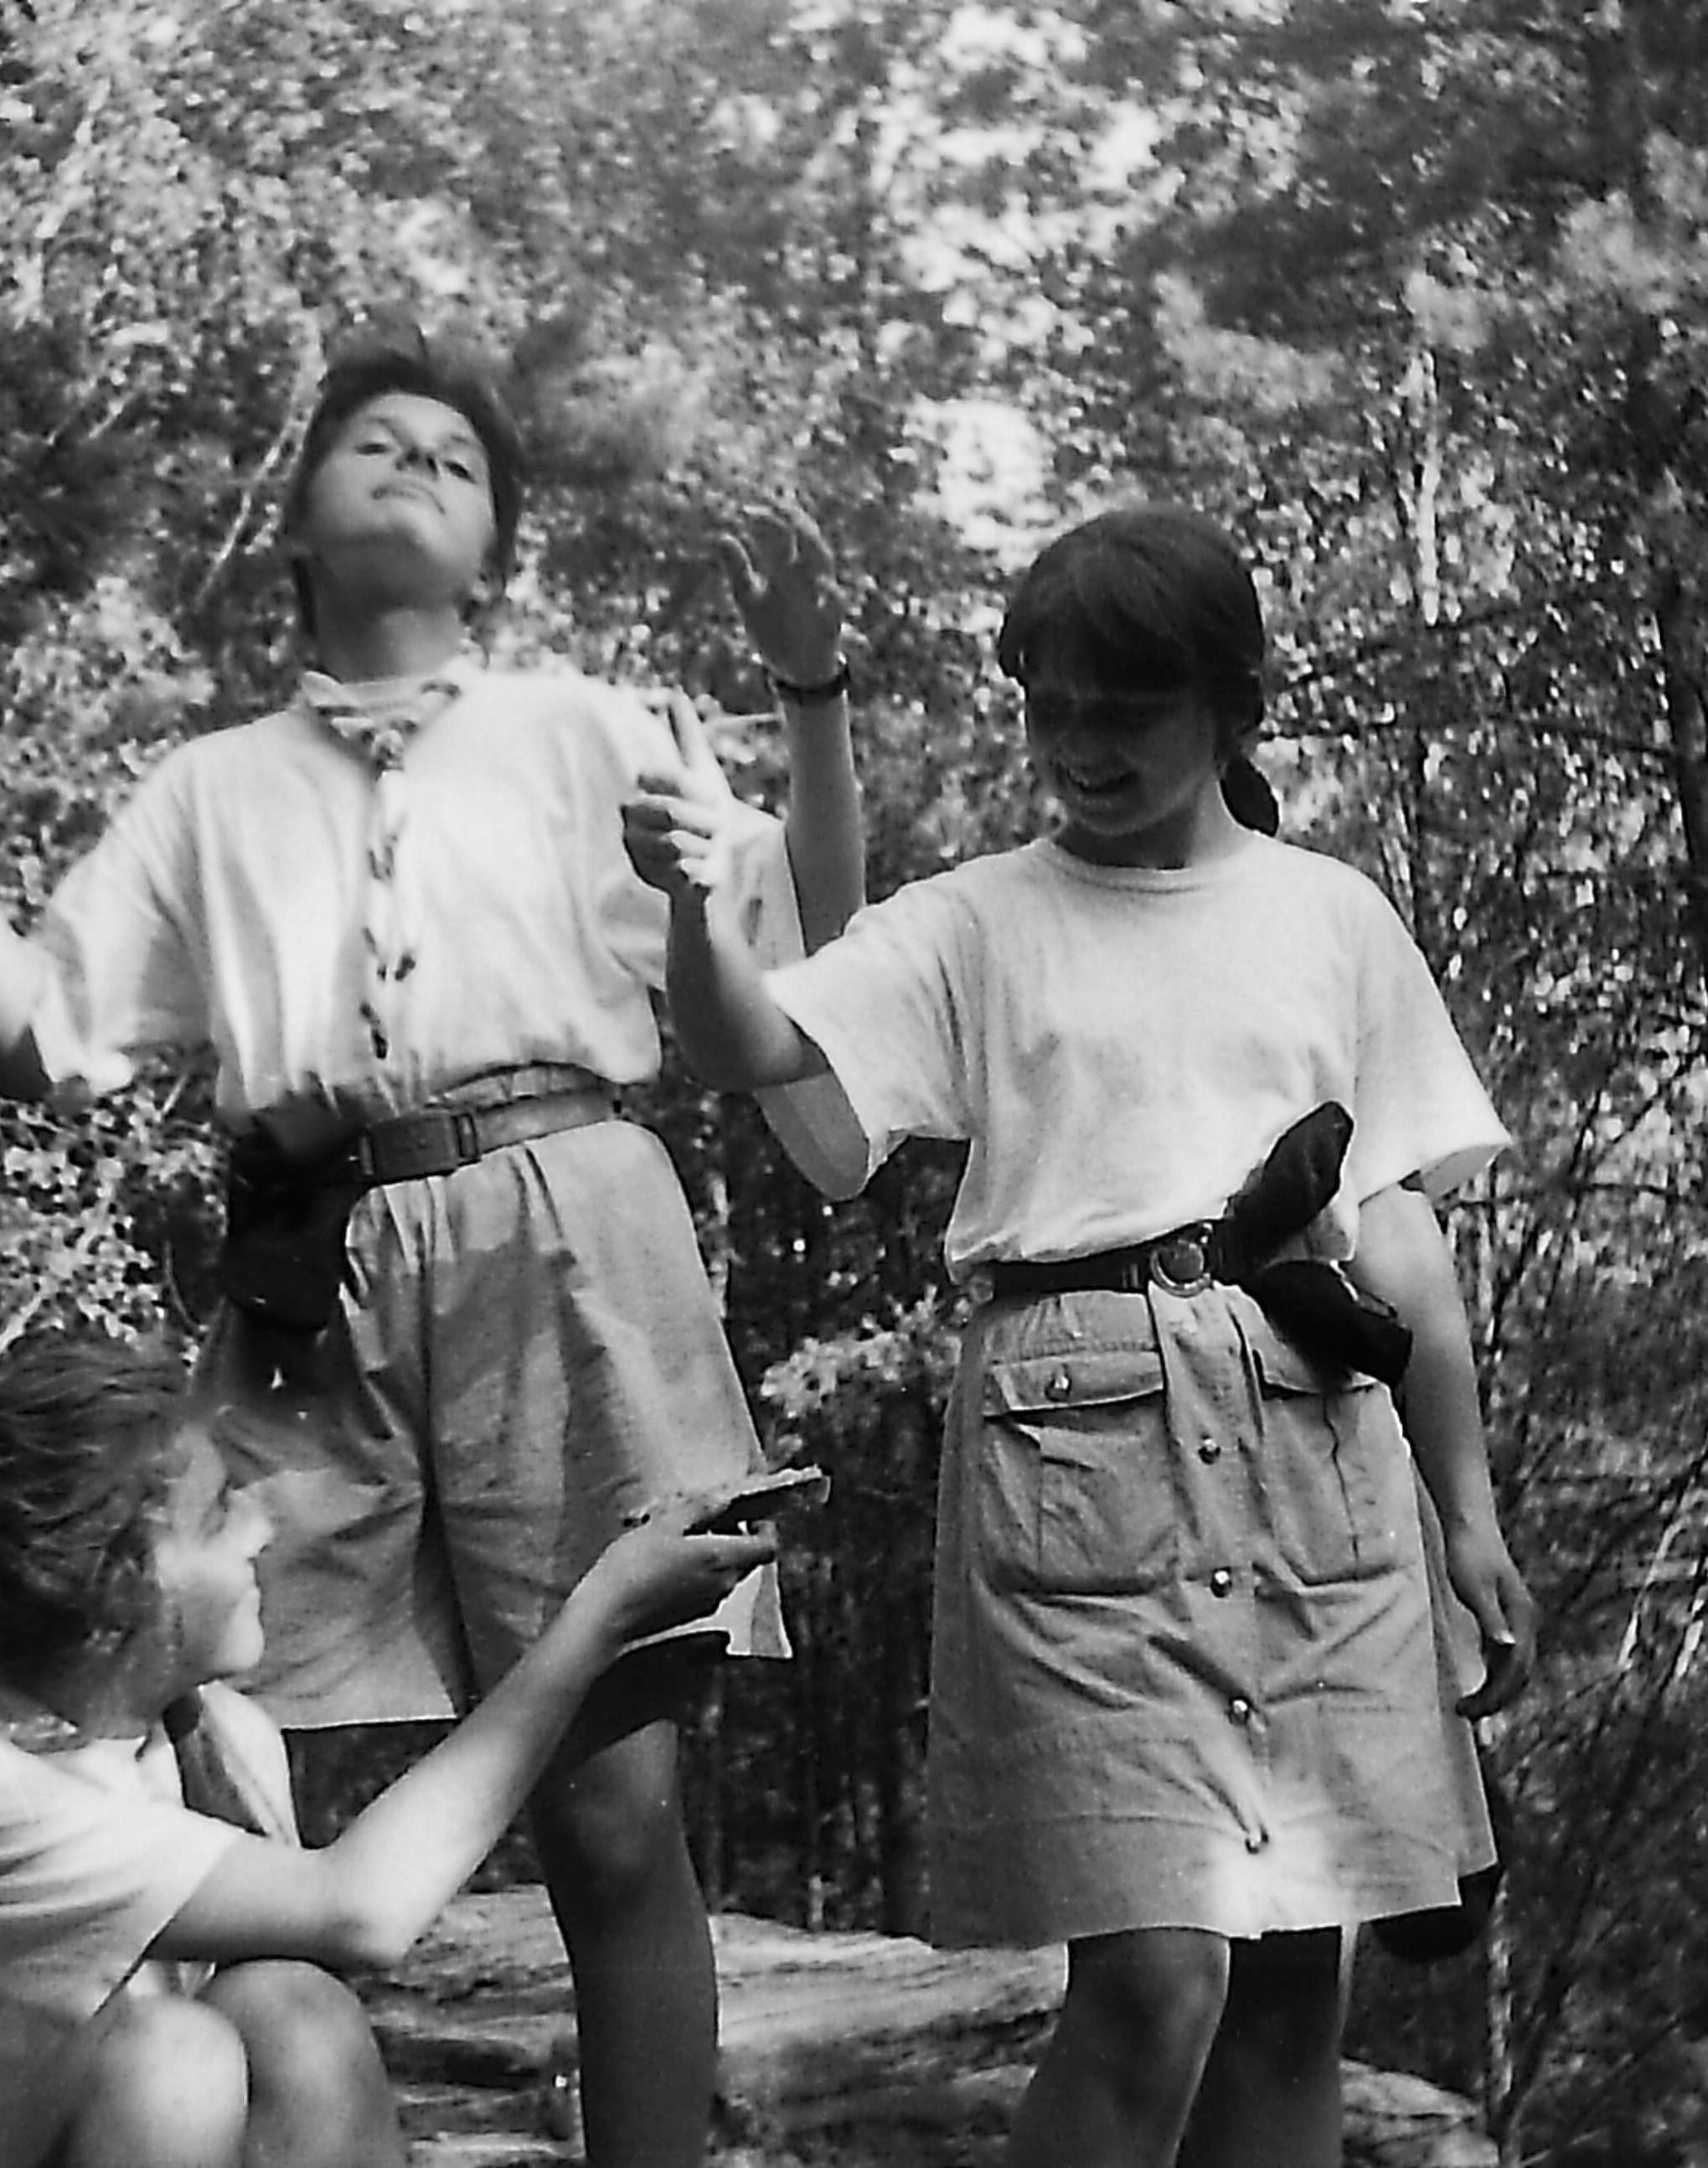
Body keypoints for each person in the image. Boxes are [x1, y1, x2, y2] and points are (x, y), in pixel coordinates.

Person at [0, 324, 859, 2168]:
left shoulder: (583, 726)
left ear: (495, 547)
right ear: (296, 516)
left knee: (610, 1807)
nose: (418, 465)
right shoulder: (210, 785)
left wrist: (811, 697)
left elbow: (811, 942)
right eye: (376, 441)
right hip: (310, 1260)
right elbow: (37, 1037)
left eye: (458, 457)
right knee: (206, 1730)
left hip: (567, 1226)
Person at [623, 503, 1539, 2168]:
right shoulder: (981, 919)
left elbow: (1398, 1229)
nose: (1082, 745)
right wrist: (695, 905)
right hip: (1080, 1456)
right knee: (1154, 1977)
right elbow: (754, 1042)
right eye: (1052, 708)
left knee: (1293, 1981)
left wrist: (1466, 1513)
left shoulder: (1331, 916)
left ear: (1234, 707)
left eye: (1127, 708)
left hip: (1319, 1456)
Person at [0, 1334, 777, 2168]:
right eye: (217, 1510)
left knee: (290, 2007)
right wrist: (595, 1619)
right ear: (113, 1584)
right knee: (172, 2059)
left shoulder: (220, 1741)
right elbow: (363, 1907)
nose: (262, 1526)